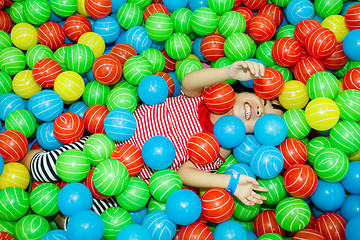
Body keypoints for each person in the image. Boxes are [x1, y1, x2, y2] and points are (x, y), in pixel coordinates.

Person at [20, 60, 284, 218]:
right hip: (109, 144)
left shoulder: (221, 147)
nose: (260, 112)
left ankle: (56, 215)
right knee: (42, 165)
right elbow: (189, 80)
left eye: (265, 122)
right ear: (244, 90)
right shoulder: (206, 96)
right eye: (263, 102)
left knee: (84, 215)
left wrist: (230, 182)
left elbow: (185, 173)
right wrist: (228, 72)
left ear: (255, 135)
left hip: (128, 179)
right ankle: (27, 160)